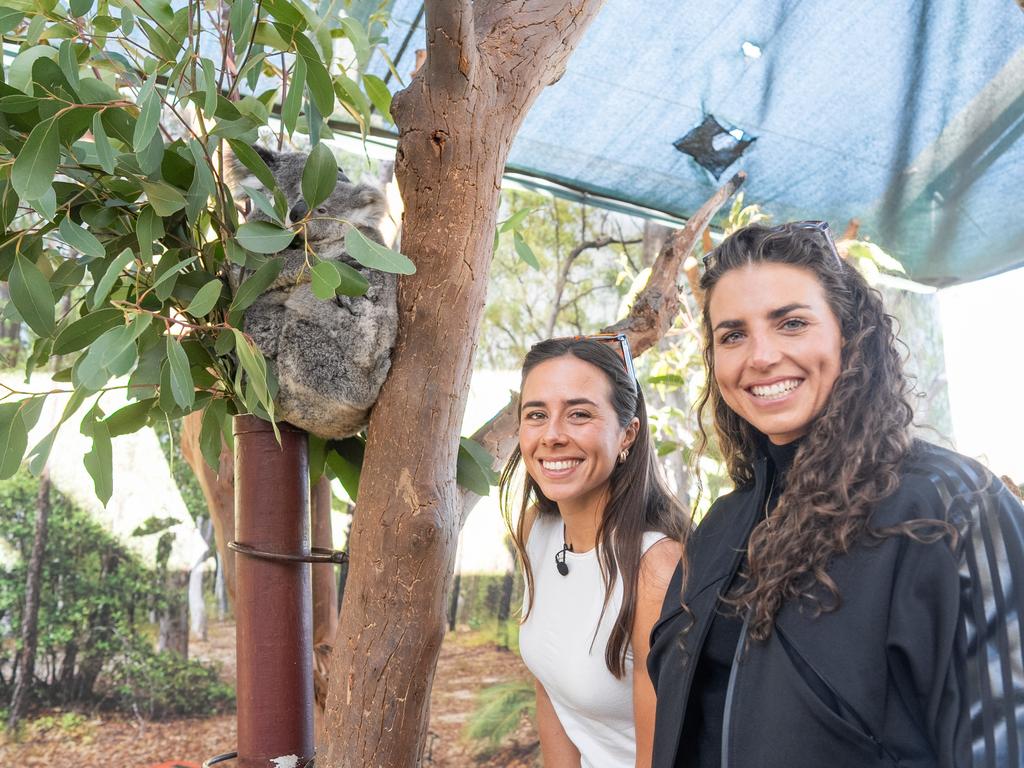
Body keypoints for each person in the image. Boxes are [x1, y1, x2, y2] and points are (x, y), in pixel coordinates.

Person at [647, 221, 1024, 768]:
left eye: (792, 323)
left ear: (849, 333)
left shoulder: (954, 506)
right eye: (733, 335)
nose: (761, 356)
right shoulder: (722, 526)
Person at [502, 335, 687, 768]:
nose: (552, 435)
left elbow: (659, 758)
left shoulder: (656, 568)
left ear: (628, 433)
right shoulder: (537, 529)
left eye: (579, 414)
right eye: (536, 415)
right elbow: (551, 689)